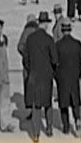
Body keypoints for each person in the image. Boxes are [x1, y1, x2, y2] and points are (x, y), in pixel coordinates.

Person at [24, 11, 58, 142]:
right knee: (47, 102)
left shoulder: (30, 38)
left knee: (36, 105)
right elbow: (55, 59)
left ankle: (36, 133)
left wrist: (30, 68)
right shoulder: (49, 39)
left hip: (34, 75)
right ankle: (49, 128)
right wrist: (52, 70)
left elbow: (25, 57)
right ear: (46, 24)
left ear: (39, 23)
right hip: (46, 75)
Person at [54, 21, 81, 136]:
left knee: (63, 103)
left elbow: (53, 63)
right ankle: (77, 120)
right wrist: (78, 73)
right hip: (74, 77)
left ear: (62, 30)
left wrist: (56, 76)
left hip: (62, 78)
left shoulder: (57, 45)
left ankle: (66, 126)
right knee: (75, 102)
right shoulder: (77, 44)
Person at [18, 14, 39, 97]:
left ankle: (29, 103)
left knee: (27, 82)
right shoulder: (38, 31)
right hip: (38, 62)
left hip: (27, 63)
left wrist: (26, 54)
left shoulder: (25, 31)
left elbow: (20, 46)